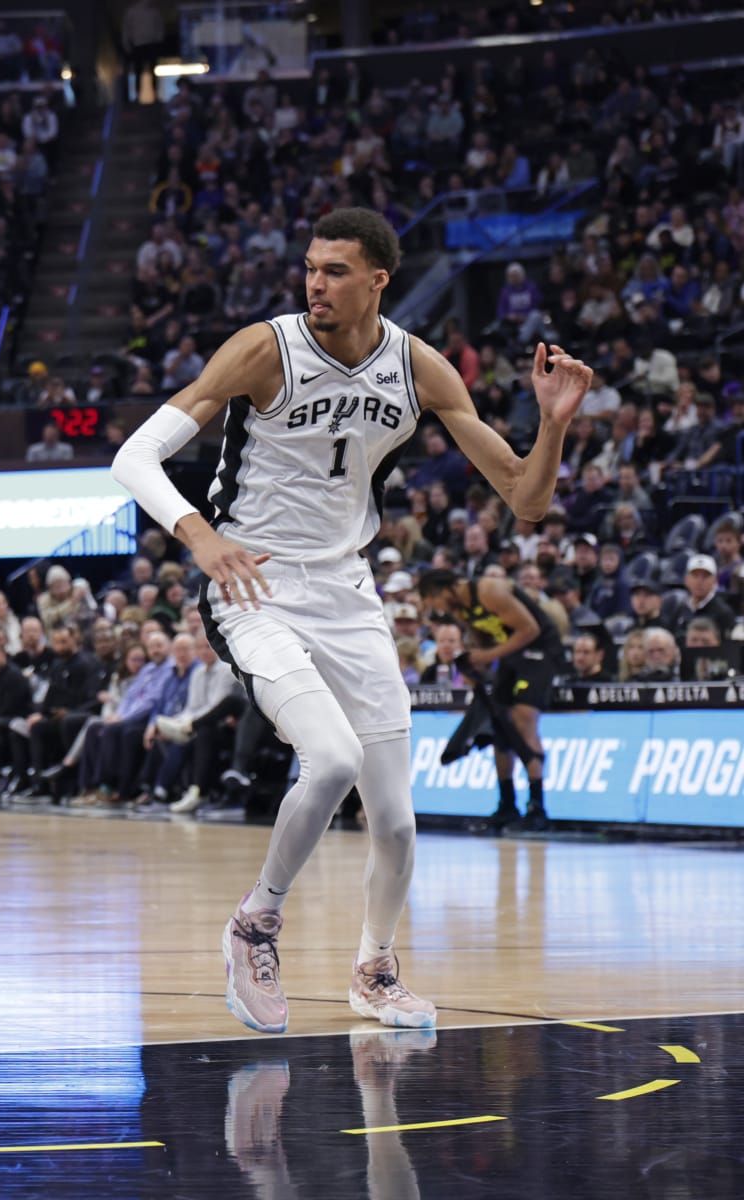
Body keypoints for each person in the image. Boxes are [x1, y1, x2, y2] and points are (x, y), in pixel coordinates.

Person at [110, 207, 592, 1034]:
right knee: (327, 760)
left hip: (347, 593)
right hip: (252, 584)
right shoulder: (266, 348)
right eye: (309, 268)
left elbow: (525, 500)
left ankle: (375, 970)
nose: (314, 284)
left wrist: (551, 424)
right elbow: (133, 456)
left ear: (378, 280)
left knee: (398, 821)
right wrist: (200, 537)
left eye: (334, 271)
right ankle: (255, 924)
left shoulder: (421, 370)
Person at [417, 567, 564, 833]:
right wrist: (475, 663)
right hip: (512, 654)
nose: (436, 609)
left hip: (540, 651)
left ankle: (537, 808)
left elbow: (530, 629)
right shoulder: (460, 608)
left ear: (440, 591)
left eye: (432, 602)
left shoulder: (488, 590)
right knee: (498, 725)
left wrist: (488, 656)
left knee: (523, 718)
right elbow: (482, 638)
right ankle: (507, 805)